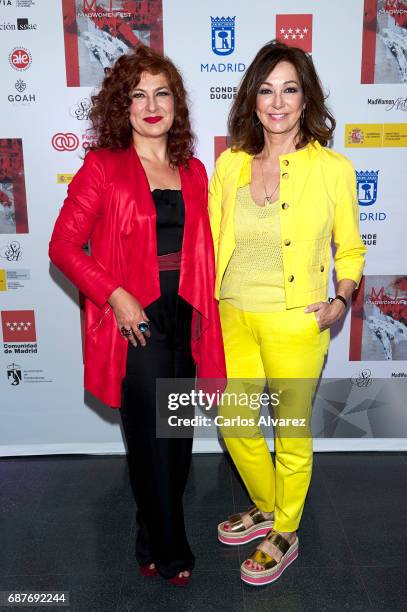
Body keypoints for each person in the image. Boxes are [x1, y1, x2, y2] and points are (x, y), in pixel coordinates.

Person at [49, 45, 225, 586]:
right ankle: (173, 551)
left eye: (162, 93)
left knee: (175, 442)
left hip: (184, 315)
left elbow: (210, 251)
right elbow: (64, 246)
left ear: (176, 104)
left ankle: (149, 535)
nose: (152, 105)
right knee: (151, 442)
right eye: (138, 95)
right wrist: (115, 295)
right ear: (121, 107)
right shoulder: (103, 167)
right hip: (135, 322)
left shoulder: (194, 171)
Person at [209, 40, 366, 586]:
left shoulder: (333, 168)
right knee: (236, 424)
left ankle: (286, 530)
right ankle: (268, 505)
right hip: (233, 315)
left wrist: (339, 302)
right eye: (267, 90)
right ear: (253, 98)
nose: (277, 102)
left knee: (290, 432)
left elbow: (350, 249)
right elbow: (210, 242)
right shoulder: (229, 165)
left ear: (306, 99)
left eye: (290, 90)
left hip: (297, 321)